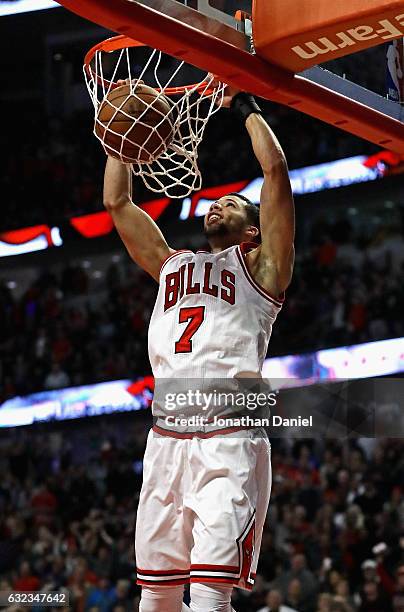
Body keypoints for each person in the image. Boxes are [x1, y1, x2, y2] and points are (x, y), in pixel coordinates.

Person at [103, 83, 295, 612]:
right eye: (214, 202)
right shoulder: (171, 264)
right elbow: (116, 203)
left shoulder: (263, 270)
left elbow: (276, 174)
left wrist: (246, 106)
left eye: (231, 204)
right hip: (166, 436)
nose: (217, 206)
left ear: (254, 231)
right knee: (156, 601)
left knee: (210, 599)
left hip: (230, 433)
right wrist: (119, 141)